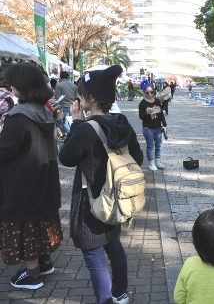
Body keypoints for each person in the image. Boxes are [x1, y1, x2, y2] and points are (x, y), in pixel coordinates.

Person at [59, 65, 143, 304]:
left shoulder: (85, 128)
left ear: (92, 97)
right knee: (113, 246)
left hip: (91, 203)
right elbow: (137, 158)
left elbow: (66, 158)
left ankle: (106, 300)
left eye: (80, 92)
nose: (77, 97)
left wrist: (75, 123)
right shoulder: (121, 121)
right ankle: (120, 293)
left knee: (94, 255)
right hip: (117, 199)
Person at [0, 62, 62, 290]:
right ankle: (44, 264)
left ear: (21, 85)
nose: (10, 86)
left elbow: (5, 150)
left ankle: (32, 274)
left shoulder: (18, 117)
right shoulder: (44, 111)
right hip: (44, 180)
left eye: (12, 82)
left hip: (22, 184)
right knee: (40, 223)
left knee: (27, 225)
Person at [139, 85, 167, 171]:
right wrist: (147, 112)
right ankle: (151, 163)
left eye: (151, 92)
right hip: (148, 128)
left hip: (158, 127)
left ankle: (157, 162)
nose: (150, 94)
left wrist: (165, 125)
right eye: (147, 92)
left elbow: (161, 114)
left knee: (158, 145)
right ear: (144, 93)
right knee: (150, 146)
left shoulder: (157, 101)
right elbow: (141, 116)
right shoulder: (142, 103)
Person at [54, 70, 77, 135]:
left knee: (63, 124)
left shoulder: (59, 85)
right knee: (70, 123)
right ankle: (71, 135)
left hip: (62, 107)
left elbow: (57, 97)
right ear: (68, 76)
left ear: (61, 77)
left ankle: (71, 136)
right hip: (72, 106)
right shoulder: (74, 85)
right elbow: (76, 96)